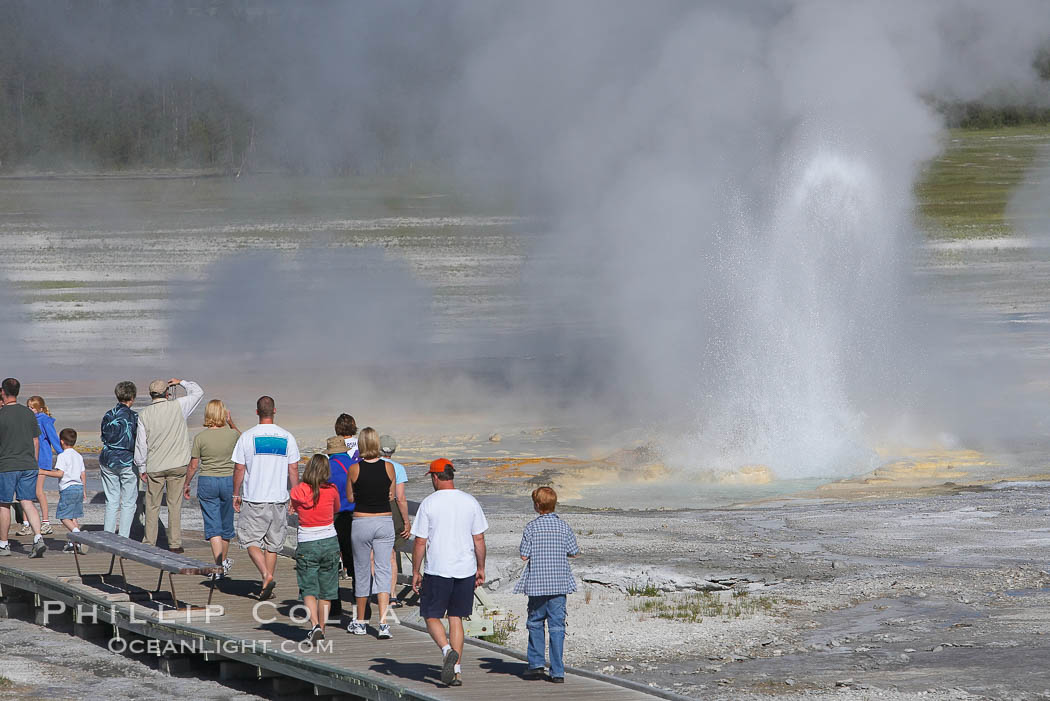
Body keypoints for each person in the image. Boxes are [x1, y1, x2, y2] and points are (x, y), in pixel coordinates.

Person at [411, 458, 488, 687]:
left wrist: (415, 571)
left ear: (435, 477)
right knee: (456, 617)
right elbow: (479, 538)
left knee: (430, 614)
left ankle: (446, 651)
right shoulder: (470, 501)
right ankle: (456, 672)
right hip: (464, 569)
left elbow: (420, 541)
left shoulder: (429, 503)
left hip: (438, 569)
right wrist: (481, 567)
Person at [232, 395, 301, 601]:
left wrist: (236, 493)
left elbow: (239, 468)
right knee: (273, 544)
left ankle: (266, 575)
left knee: (249, 539)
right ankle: (265, 584)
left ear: (256, 412)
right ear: (275, 411)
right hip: (278, 498)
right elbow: (294, 468)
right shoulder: (287, 437)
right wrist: (295, 496)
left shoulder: (247, 437)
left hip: (254, 497)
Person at [515, 487, 580, 683]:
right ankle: (558, 671)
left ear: (536, 506)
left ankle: (536, 665)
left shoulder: (531, 527)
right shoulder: (564, 527)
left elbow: (524, 555)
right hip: (559, 584)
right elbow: (574, 552)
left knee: (535, 622)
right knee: (557, 627)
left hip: (537, 584)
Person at [134, 378, 204, 553]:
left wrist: (141, 467)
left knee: (151, 505)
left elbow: (141, 444)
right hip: (178, 464)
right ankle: (174, 544)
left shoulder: (144, 414)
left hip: (155, 465)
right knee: (174, 504)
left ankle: (149, 542)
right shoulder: (178, 406)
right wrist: (182, 382)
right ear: (167, 393)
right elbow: (198, 392)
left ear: (151, 395)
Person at [347, 427, 395, 639]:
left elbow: (349, 498)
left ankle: (360, 621)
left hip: (362, 520)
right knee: (384, 570)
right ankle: (383, 623)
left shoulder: (354, 469)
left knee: (362, 570)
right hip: (384, 521)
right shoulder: (389, 467)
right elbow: (391, 495)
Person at [184, 399, 239, 578]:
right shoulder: (232, 435)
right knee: (226, 523)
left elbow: (193, 465)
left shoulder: (201, 437)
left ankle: (218, 565)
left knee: (212, 524)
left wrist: (186, 484)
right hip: (229, 481)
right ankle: (223, 563)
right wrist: (231, 423)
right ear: (224, 414)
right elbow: (245, 441)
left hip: (207, 480)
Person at [290, 454, 341, 644]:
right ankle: (323, 627)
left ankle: (314, 625)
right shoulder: (332, 490)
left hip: (307, 542)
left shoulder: (298, 491)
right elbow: (336, 509)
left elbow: (295, 507)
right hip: (329, 539)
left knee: (308, 587)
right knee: (327, 590)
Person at [0, 378, 46, 558]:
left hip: (7, 465)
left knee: (4, 503)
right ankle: (38, 537)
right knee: (27, 501)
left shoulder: (2, 414)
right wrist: (33, 462)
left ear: (3, 392)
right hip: (28, 464)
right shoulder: (28, 414)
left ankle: (3, 544)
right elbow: (36, 441)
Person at [99, 381, 138, 538]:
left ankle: (108, 536)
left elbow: (103, 436)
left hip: (108, 459)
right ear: (133, 397)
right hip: (127, 460)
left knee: (111, 500)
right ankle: (123, 537)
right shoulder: (134, 417)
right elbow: (138, 440)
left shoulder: (108, 415)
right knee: (128, 502)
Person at [39, 429, 87, 554]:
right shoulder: (78, 456)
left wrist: (43, 472)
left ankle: (77, 534)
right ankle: (73, 543)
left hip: (68, 488)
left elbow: (60, 473)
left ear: (61, 441)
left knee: (64, 517)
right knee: (73, 516)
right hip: (79, 487)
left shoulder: (62, 455)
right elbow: (83, 474)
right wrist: (84, 490)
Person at [325, 435, 356, 620]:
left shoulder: (328, 467)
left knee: (332, 562)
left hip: (333, 517)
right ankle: (359, 601)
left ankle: (334, 606)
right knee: (355, 562)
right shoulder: (353, 464)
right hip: (354, 517)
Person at [379, 434, 410, 605]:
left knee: (372, 554)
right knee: (391, 554)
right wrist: (406, 521)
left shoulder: (367, 465)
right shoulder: (397, 468)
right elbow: (401, 498)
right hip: (390, 512)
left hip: (371, 510)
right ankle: (391, 595)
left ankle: (376, 592)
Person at [24, 396, 58, 536]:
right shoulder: (28, 420)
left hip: (42, 460)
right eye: (28, 407)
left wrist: (64, 454)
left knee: (38, 491)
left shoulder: (44, 420)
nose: (29, 410)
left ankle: (45, 522)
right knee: (25, 492)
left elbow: (53, 439)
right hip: (28, 460)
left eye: (32, 408)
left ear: (40, 409)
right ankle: (26, 524)